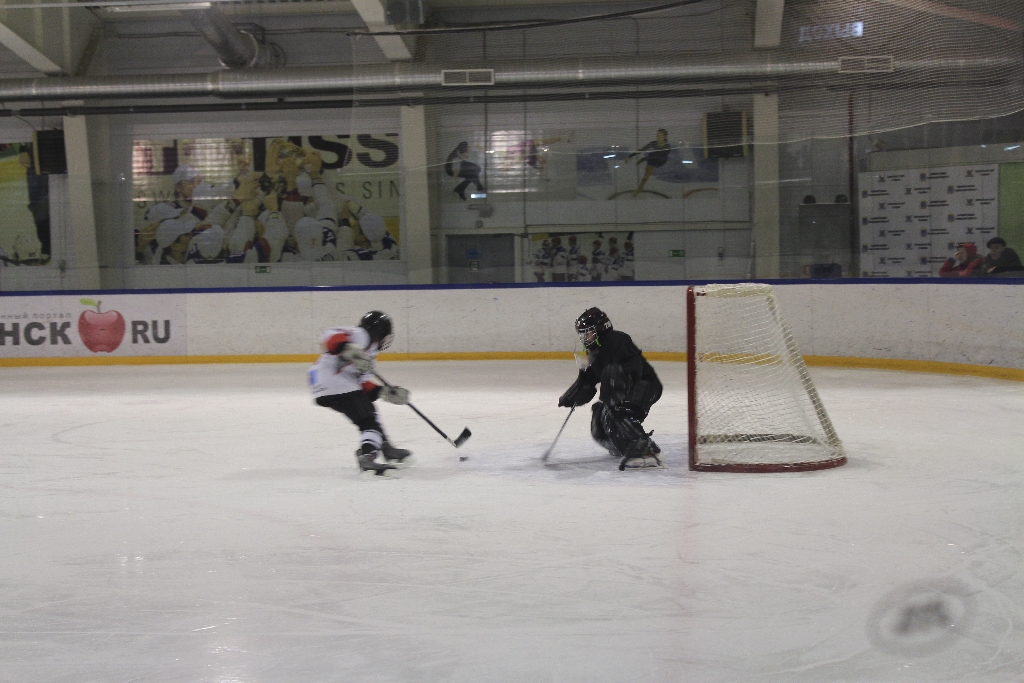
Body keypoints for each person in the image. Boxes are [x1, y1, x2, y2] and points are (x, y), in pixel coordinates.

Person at [557, 307, 664, 470]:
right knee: (600, 412)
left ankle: (648, 451)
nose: (585, 338)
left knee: (617, 407)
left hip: (645, 386)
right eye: (582, 335)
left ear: (600, 328)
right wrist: (580, 389)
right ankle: (623, 444)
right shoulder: (595, 352)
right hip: (626, 390)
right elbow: (592, 377)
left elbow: (634, 368)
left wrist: (616, 378)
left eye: (588, 333)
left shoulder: (618, 340)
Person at [308, 311, 412, 475]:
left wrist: (383, 391)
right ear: (381, 332)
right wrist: (347, 347)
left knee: (368, 412)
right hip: (333, 381)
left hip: (327, 384)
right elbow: (329, 335)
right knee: (368, 422)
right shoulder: (362, 335)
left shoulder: (369, 352)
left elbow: (361, 383)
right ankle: (367, 457)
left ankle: (386, 447)